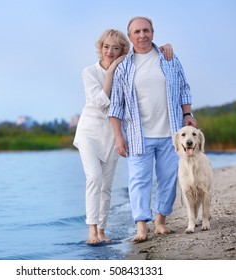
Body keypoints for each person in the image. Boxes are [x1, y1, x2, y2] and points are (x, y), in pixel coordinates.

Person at [74, 28, 174, 244]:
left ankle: (101, 230)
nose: (109, 51)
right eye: (106, 47)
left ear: (122, 50)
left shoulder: (126, 70)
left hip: (111, 134)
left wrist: (166, 47)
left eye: (115, 48)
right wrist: (109, 73)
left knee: (106, 186)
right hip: (89, 132)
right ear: (100, 48)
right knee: (94, 178)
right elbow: (101, 102)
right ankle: (91, 231)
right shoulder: (90, 72)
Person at [108, 16, 198, 243]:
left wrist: (188, 114)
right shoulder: (123, 66)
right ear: (130, 36)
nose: (142, 35)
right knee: (138, 180)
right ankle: (141, 227)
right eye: (137, 32)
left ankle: (160, 222)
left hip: (172, 133)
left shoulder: (169, 58)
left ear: (153, 32)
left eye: (146, 30)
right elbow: (116, 105)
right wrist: (118, 136)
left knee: (168, 179)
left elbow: (184, 89)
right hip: (138, 135)